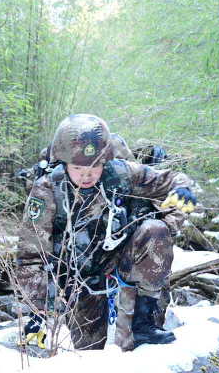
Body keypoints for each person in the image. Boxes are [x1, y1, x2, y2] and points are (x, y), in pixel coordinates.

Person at [14, 114, 197, 351]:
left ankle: (145, 323)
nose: (87, 175)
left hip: (121, 262)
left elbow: (171, 179)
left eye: (94, 166)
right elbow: (30, 256)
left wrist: (183, 189)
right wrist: (36, 313)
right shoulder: (46, 190)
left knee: (156, 230)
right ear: (64, 162)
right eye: (78, 167)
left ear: (105, 161)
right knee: (89, 352)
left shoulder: (121, 173)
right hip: (77, 278)